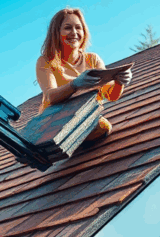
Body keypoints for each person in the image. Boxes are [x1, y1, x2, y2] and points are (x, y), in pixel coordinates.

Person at [35, 8, 132, 140]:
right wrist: (74, 85)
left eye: (78, 28)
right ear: (56, 32)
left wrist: (120, 82)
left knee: (103, 127)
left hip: (83, 116)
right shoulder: (46, 61)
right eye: (67, 28)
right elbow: (50, 96)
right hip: (53, 120)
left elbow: (110, 94)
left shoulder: (93, 59)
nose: (74, 32)